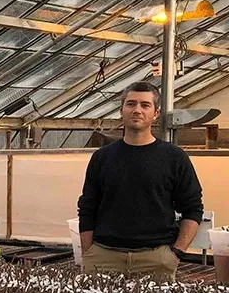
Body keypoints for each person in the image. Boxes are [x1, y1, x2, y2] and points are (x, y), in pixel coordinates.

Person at [77, 80, 204, 281]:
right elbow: (87, 207)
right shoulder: (102, 157)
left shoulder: (174, 158)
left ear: (155, 113)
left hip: (156, 260)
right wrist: (89, 253)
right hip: (104, 257)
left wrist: (176, 253)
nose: (137, 110)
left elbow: (193, 208)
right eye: (131, 104)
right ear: (122, 110)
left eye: (145, 105)